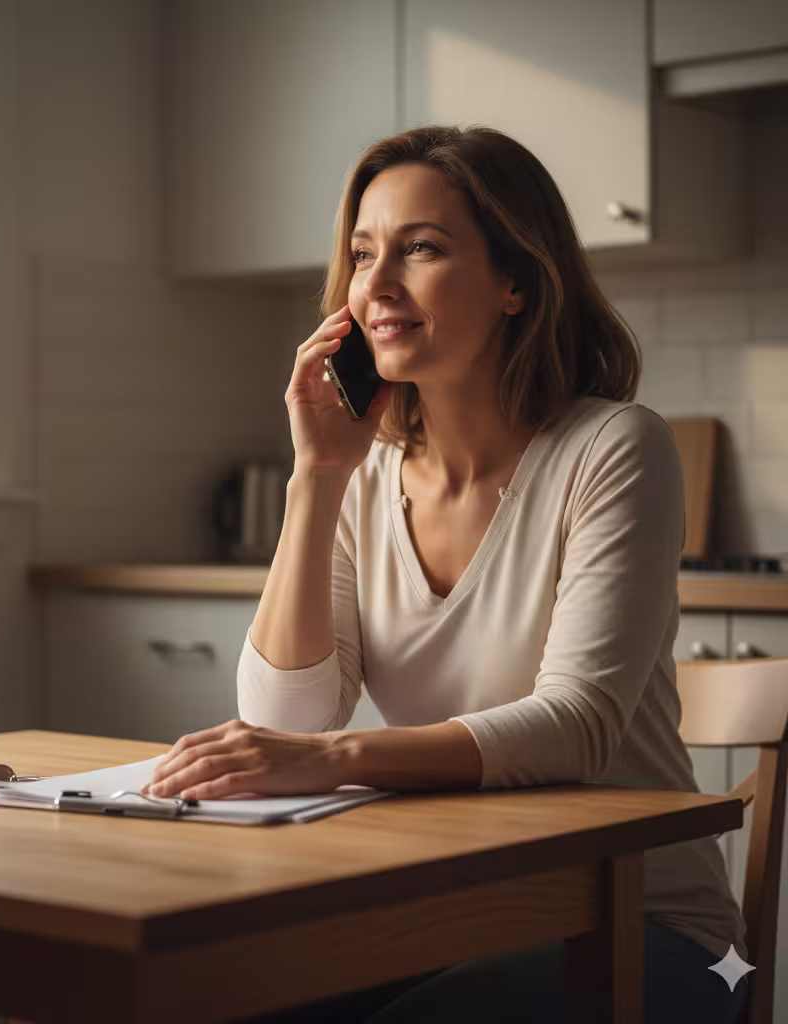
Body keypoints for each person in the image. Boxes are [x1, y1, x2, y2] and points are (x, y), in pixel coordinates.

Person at [143, 125, 749, 1022]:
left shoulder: (616, 447)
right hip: (458, 914)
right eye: (361, 254)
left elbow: (574, 726)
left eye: (420, 249)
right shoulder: (361, 474)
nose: (377, 285)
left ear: (517, 281)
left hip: (651, 927)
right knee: (210, 1000)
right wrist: (317, 477)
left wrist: (333, 758)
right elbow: (283, 720)